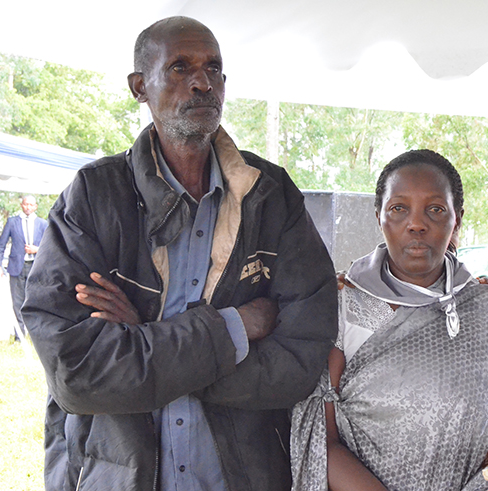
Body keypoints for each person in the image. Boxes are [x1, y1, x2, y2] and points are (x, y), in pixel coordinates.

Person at [20, 16, 337, 490]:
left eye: (214, 68)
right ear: (138, 86)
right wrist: (233, 328)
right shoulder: (95, 195)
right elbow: (74, 371)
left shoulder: (270, 196)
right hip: (115, 473)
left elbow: (301, 358)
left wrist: (145, 340)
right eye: (179, 67)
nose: (202, 82)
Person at [291, 149, 488, 491]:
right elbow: (320, 437)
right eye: (399, 208)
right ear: (378, 215)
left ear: (458, 219)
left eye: (435, 210)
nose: (417, 224)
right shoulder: (341, 307)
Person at [0, 195, 47, 341]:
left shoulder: (43, 224)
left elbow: (51, 245)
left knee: (36, 300)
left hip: (36, 267)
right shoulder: (12, 222)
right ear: (21, 205)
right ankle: (19, 336)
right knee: (17, 302)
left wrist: (37, 249)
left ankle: (37, 335)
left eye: (31, 205)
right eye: (25, 204)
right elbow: (1, 244)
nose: (28, 207)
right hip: (16, 267)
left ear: (36, 206)